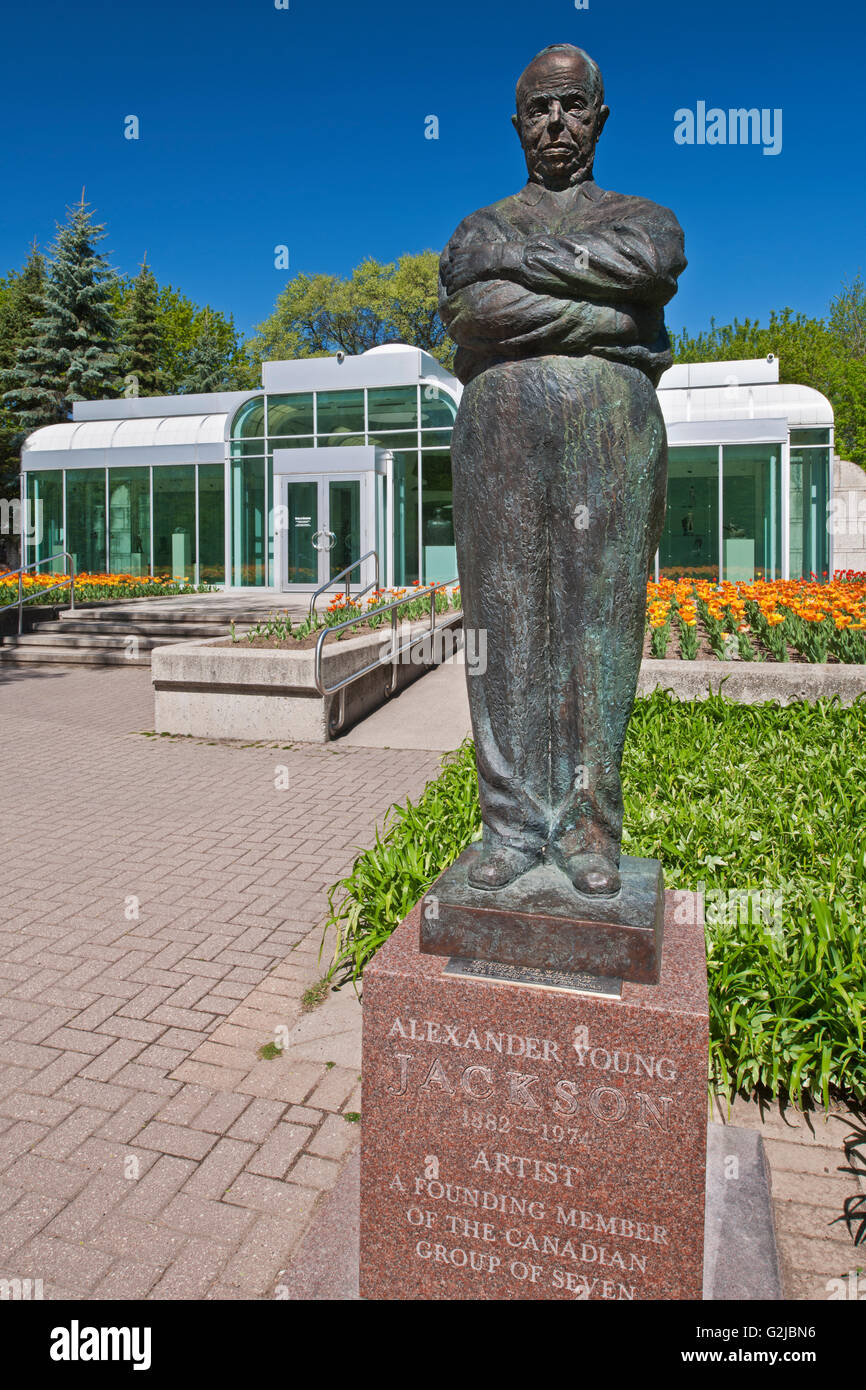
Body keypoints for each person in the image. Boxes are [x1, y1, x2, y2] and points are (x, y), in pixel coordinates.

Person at [439, 43, 686, 897]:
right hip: (499, 436)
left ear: (600, 117)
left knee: (599, 625)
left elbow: (652, 268)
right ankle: (508, 825)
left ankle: (587, 827)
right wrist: (605, 309)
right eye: (539, 109)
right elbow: (472, 312)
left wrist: (521, 278)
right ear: (516, 125)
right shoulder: (479, 228)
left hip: (613, 430)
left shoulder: (646, 217)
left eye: (572, 106)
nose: (555, 123)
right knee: (501, 628)